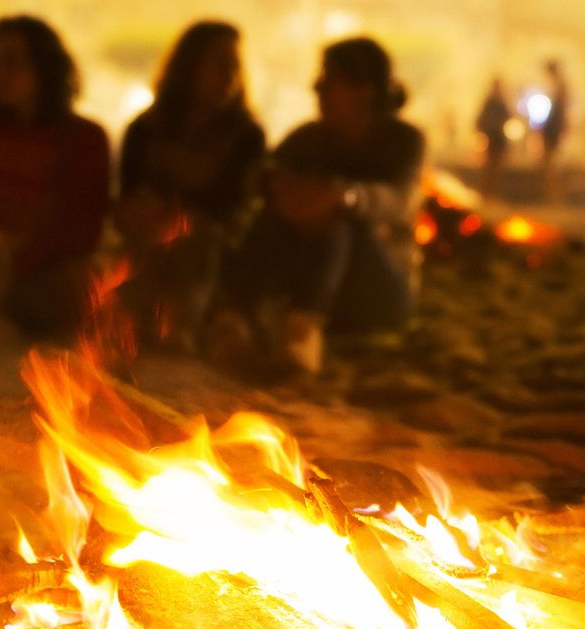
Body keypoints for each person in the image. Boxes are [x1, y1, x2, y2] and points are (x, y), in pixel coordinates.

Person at [215, 36, 424, 376]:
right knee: (281, 208)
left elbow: (397, 201)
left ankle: (301, 332)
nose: (317, 88)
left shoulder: (402, 141)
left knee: (334, 218)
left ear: (364, 90)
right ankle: (235, 320)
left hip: (378, 292)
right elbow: (260, 173)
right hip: (319, 283)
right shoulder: (310, 138)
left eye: (330, 79)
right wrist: (278, 188)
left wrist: (343, 196)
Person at [0, 16, 112, 341]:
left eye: (14, 61)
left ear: (44, 68)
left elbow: (82, 232)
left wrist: (15, 262)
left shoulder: (83, 138)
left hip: (37, 270)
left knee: (73, 291)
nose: (1, 73)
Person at [116, 21, 266, 349]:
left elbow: (235, 208)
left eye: (234, 65)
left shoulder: (245, 137)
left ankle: (180, 326)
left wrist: (181, 218)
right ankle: (127, 326)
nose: (229, 74)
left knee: (191, 239)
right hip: (150, 233)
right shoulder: (146, 130)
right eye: (219, 63)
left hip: (216, 246)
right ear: (188, 67)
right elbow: (127, 193)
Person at [474, 77, 511, 199]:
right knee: (492, 167)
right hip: (495, 138)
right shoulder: (494, 101)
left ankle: (488, 193)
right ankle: (487, 193)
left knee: (493, 167)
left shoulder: (496, 101)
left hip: (496, 138)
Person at [540, 59, 569, 203]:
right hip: (552, 129)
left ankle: (556, 199)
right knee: (549, 165)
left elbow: (559, 113)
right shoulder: (558, 86)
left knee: (550, 166)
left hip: (553, 130)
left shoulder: (560, 87)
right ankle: (554, 199)